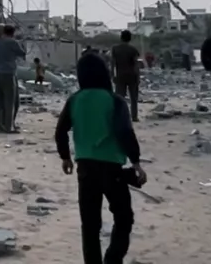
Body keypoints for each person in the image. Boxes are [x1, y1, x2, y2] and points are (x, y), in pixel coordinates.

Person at [55, 51, 146, 264]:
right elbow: (125, 132)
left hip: (85, 167)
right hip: (112, 167)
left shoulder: (75, 100)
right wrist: (136, 162)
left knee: (90, 225)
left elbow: (61, 131)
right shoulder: (115, 101)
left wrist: (65, 157)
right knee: (124, 218)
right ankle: (113, 259)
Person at [0, 24, 26, 133]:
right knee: (10, 101)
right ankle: (8, 126)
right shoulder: (11, 42)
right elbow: (22, 53)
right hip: (7, 73)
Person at [111, 30, 141, 122]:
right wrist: (138, 77)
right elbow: (136, 65)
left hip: (120, 76)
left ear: (121, 37)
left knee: (120, 98)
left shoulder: (115, 49)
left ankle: (119, 116)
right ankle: (134, 117)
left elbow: (112, 64)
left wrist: (113, 75)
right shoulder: (133, 49)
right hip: (132, 76)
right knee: (133, 98)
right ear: (130, 38)